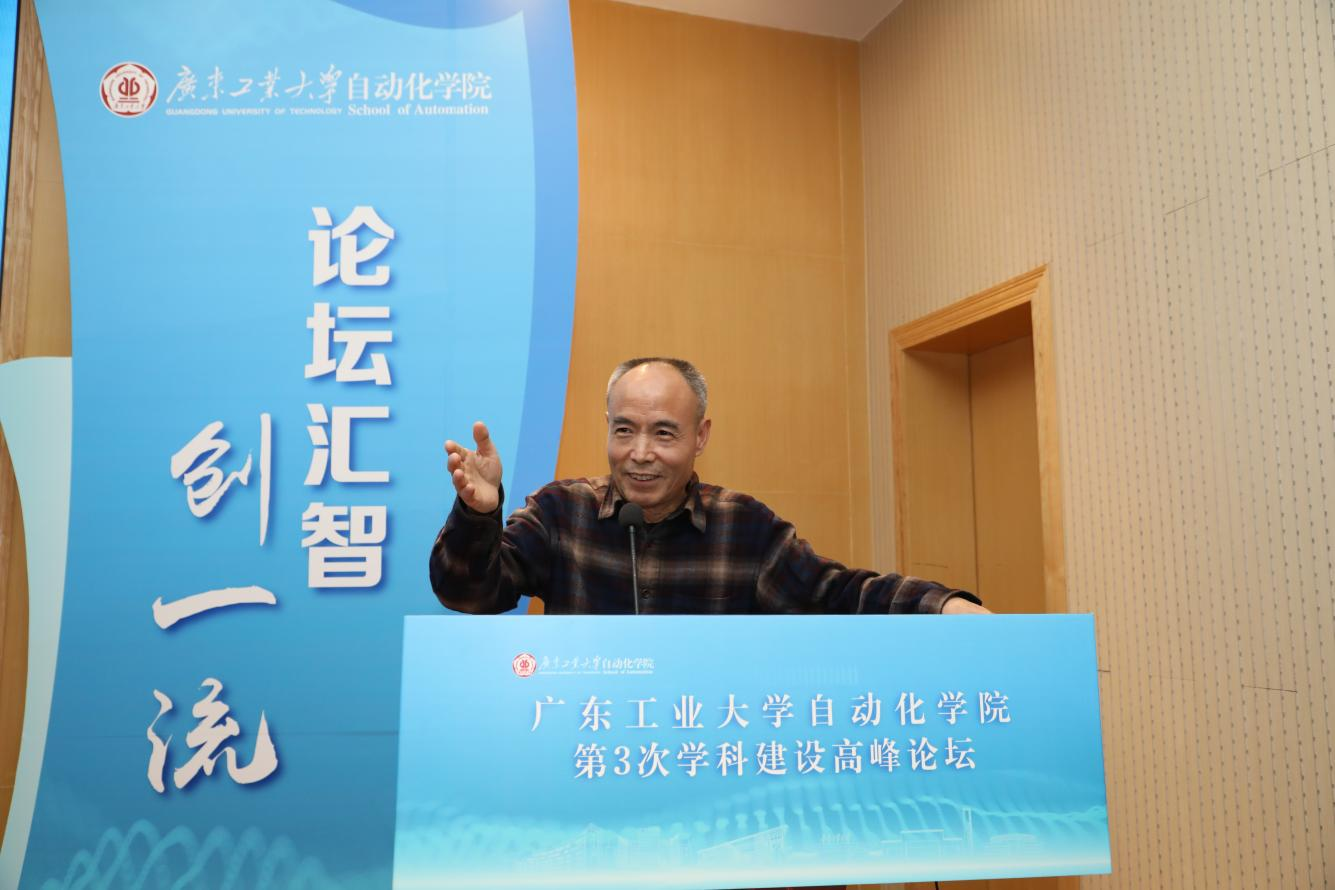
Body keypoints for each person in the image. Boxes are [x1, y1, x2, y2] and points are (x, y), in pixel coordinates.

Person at [430, 356, 987, 617]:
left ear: (700, 437)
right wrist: (479, 515)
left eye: (663, 433)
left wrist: (941, 606)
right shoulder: (561, 511)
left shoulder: (743, 527)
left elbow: (836, 595)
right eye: (623, 430)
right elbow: (469, 594)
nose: (640, 453)